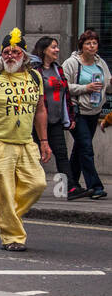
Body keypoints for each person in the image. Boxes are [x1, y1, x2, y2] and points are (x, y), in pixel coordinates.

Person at [0, 30, 51, 251]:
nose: (10, 55)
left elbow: (40, 110)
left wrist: (44, 141)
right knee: (5, 192)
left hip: (26, 143)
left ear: (24, 54)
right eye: (6, 52)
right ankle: (13, 237)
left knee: (37, 184)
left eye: (15, 52)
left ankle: (8, 214)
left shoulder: (35, 77)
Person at [61, 29, 108, 200]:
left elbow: (106, 85)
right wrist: (85, 88)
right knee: (86, 148)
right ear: (82, 46)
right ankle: (95, 187)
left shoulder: (100, 63)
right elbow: (63, 86)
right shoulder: (72, 63)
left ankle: (70, 183)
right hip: (76, 111)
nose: (92, 46)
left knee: (80, 148)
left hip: (94, 112)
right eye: (88, 43)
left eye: (94, 43)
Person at [33, 36, 72, 196]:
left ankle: (68, 188)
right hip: (36, 122)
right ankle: (29, 187)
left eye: (57, 47)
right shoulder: (35, 71)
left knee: (61, 153)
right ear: (43, 51)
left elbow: (66, 94)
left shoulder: (58, 69)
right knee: (33, 155)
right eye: (53, 47)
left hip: (55, 120)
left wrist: (70, 116)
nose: (57, 50)